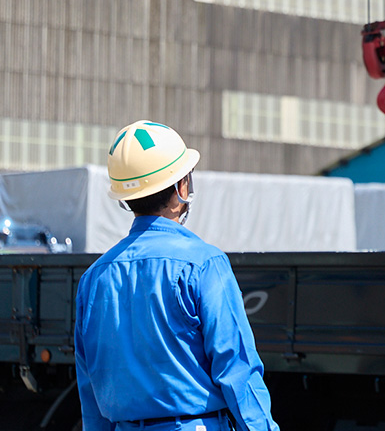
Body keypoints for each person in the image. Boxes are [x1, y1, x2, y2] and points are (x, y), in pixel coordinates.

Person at [74, 120, 279, 431]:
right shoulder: (204, 264)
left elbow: (90, 390)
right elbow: (237, 371)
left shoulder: (93, 279)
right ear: (182, 187)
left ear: (126, 198)